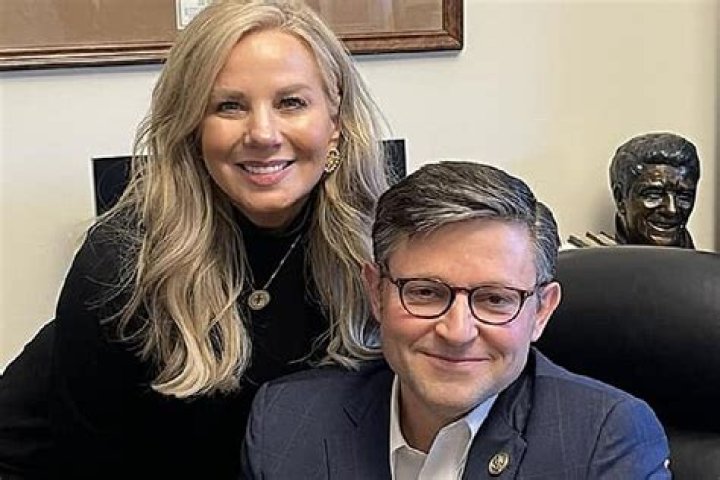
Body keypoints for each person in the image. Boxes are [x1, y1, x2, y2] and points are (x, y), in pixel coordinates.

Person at [0, 0, 389, 478]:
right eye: (229, 106)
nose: (263, 133)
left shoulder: (383, 247)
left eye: (291, 102)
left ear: (336, 122)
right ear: (192, 128)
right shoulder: (122, 263)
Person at [242, 161, 671, 479]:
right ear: (376, 292)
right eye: (425, 292)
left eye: (495, 299)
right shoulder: (287, 421)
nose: (457, 331)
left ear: (541, 310)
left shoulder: (604, 438)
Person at [568, 132, 700, 248]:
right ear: (620, 198)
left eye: (684, 196)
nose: (672, 210)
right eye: (654, 194)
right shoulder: (581, 263)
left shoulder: (706, 266)